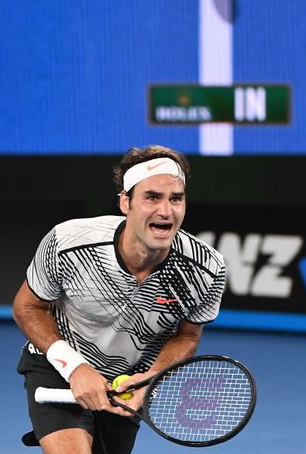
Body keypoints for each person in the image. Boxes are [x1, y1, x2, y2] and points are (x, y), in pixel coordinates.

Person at [13, 145, 226, 454]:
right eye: (152, 197)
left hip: (129, 382)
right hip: (58, 365)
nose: (166, 210)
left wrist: (149, 379)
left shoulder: (206, 269)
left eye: (175, 199)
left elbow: (188, 336)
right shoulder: (69, 242)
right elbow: (27, 307)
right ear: (126, 202)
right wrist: (74, 367)